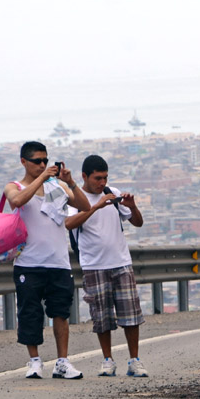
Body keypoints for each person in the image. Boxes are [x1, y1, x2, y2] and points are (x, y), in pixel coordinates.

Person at [5, 141, 91, 379]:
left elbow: (84, 206)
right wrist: (42, 178)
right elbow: (17, 201)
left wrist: (70, 182)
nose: (42, 165)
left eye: (45, 161)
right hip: (28, 263)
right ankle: (34, 361)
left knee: (61, 313)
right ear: (24, 161)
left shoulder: (58, 187)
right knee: (30, 313)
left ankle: (62, 362)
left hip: (58, 262)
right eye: (37, 161)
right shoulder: (14, 186)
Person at [65, 155, 148, 377]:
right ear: (85, 176)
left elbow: (137, 222)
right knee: (101, 316)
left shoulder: (114, 193)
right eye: (97, 178)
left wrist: (132, 206)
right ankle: (107, 359)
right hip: (93, 265)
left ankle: (134, 359)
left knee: (131, 314)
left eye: (105, 178)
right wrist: (96, 207)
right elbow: (69, 224)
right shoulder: (75, 198)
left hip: (121, 261)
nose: (102, 183)